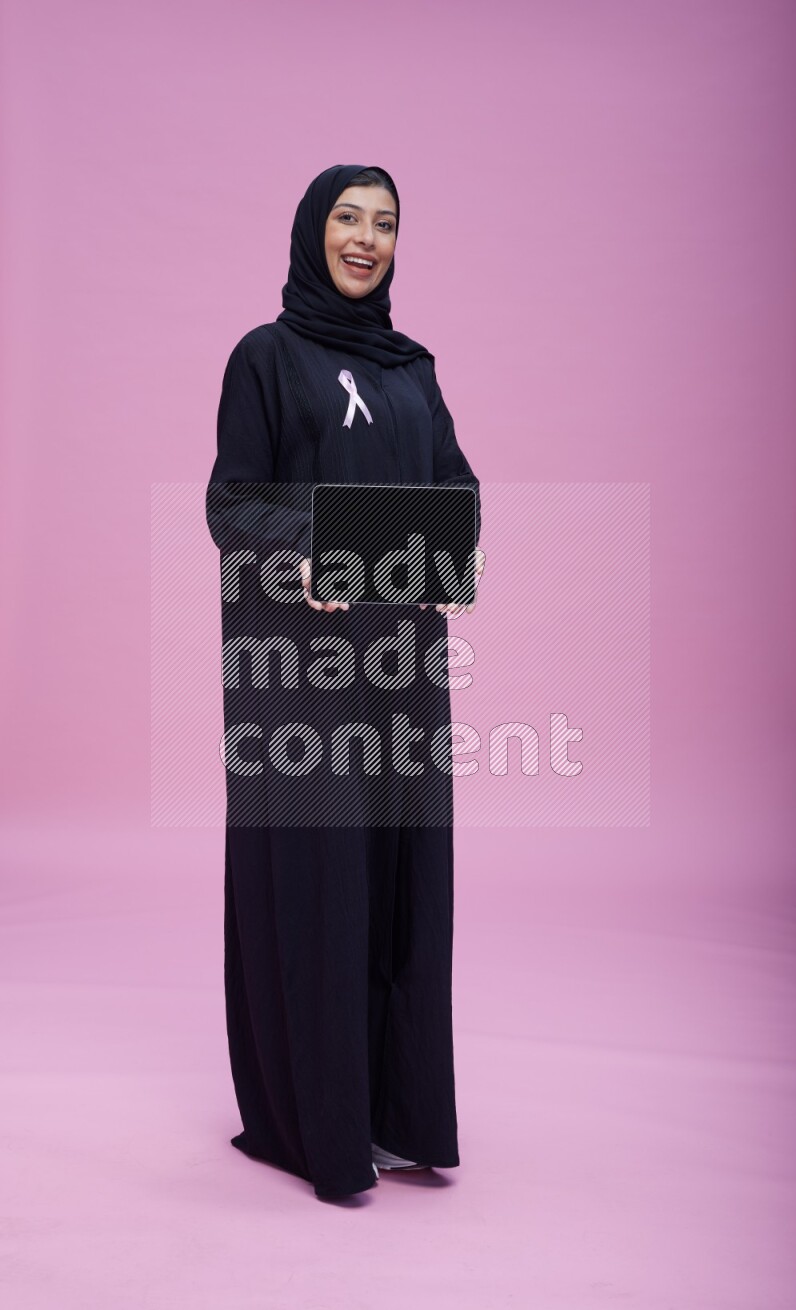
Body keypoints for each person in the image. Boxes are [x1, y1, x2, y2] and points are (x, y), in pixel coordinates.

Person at [206, 163, 484, 1200]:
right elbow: (232, 506)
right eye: (347, 218)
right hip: (302, 673)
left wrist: (455, 559)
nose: (365, 238)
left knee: (405, 874)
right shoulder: (265, 359)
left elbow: (453, 487)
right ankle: (311, 1122)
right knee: (323, 881)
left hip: (402, 663)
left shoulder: (412, 369)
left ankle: (396, 1109)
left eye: (384, 223)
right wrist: (311, 550)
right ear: (311, 231)